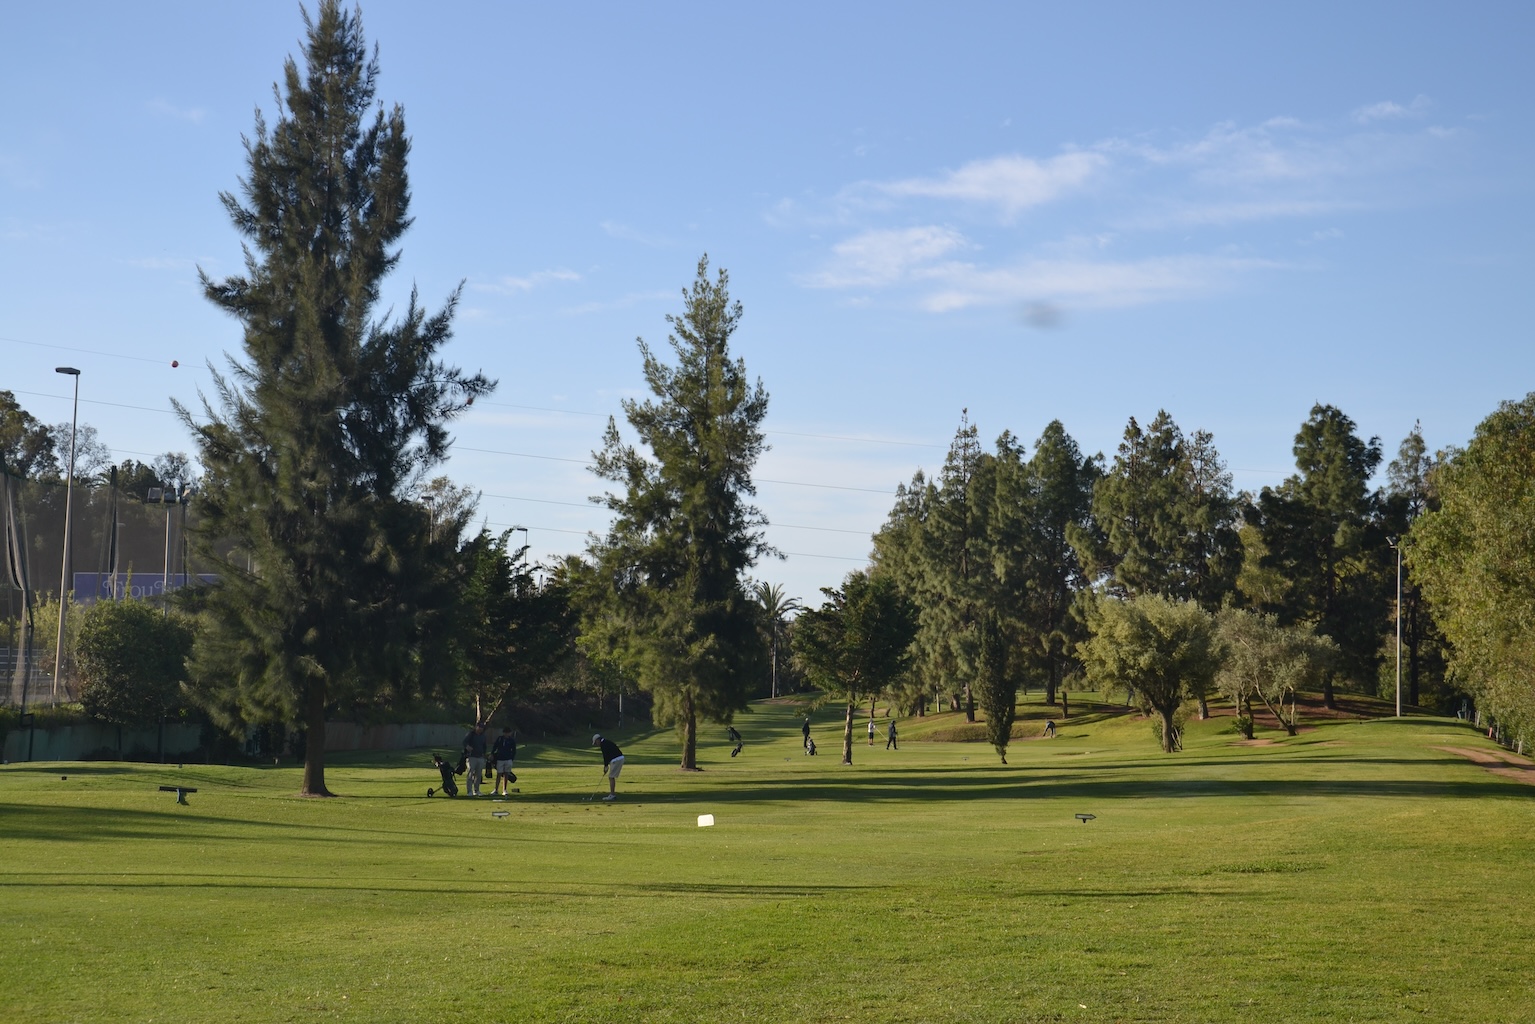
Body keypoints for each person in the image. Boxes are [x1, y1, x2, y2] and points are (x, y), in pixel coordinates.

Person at [592, 733, 624, 801]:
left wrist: (606, 766)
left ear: (598, 740)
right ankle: (612, 794)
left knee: (611, 777)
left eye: (595, 743)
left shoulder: (603, 744)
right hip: (618, 758)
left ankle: (612, 795)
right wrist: (606, 766)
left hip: (616, 759)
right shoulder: (606, 742)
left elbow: (605, 756)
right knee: (611, 777)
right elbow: (608, 755)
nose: (596, 745)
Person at [462, 722, 488, 797]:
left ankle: (476, 790)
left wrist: (484, 754)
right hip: (471, 757)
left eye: (482, 728)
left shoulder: (483, 736)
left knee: (478, 774)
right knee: (470, 774)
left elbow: (484, 746)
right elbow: (464, 742)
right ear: (476, 727)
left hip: (480, 757)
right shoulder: (471, 734)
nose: (481, 729)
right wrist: (468, 747)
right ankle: (469, 791)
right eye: (479, 727)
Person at [491, 726, 517, 796]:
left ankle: (504, 790)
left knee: (506, 774)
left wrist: (511, 758)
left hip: (508, 759)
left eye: (508, 733)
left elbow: (514, 750)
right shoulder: (500, 739)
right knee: (499, 774)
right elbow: (495, 747)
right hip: (500, 759)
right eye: (506, 733)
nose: (507, 734)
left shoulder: (511, 740)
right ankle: (496, 789)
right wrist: (492, 754)